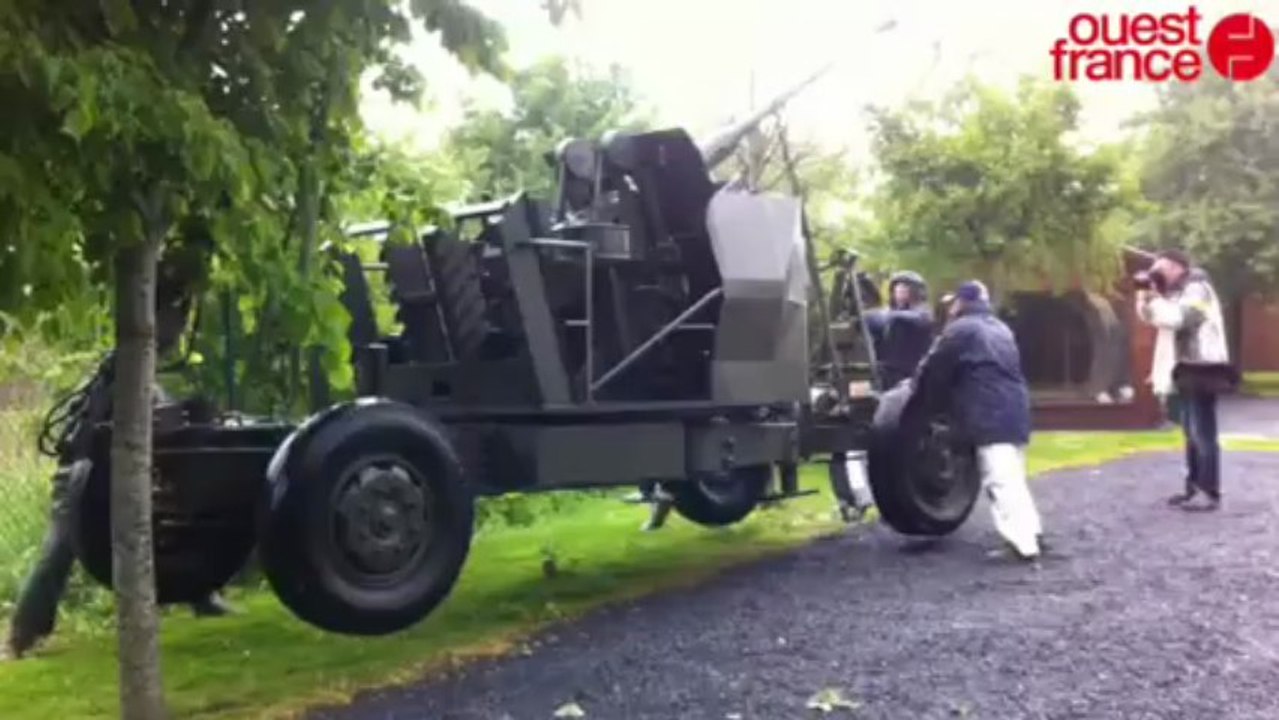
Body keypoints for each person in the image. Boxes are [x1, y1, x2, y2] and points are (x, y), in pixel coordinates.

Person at [7, 230, 233, 659]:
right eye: (174, 315)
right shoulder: (123, 368)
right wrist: (183, 414)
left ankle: (203, 596)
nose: (179, 327)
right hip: (84, 478)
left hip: (116, 475)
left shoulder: (140, 367)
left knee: (185, 524)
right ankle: (22, 636)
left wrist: (191, 414)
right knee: (59, 550)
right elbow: (125, 425)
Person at [913, 280, 1042, 561]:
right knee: (1013, 476)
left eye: (954, 302)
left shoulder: (961, 329)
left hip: (988, 410)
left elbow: (934, 366)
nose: (950, 308)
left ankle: (1022, 545)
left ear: (961, 302)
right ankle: (1031, 532)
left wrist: (916, 396)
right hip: (1015, 408)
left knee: (999, 479)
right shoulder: (1000, 328)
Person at [1134, 249, 1231, 512]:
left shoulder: (1197, 289)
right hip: (1185, 369)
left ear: (1177, 267)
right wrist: (1144, 297)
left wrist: (1155, 298)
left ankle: (1209, 492)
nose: (1157, 272)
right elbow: (1152, 318)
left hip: (1201, 367)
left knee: (1203, 433)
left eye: (1161, 267)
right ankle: (1193, 488)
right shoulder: (1176, 291)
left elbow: (1177, 319)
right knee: (1191, 432)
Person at [867, 271, 935, 389]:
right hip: (887, 372)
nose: (900, 290)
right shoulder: (887, 312)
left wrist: (887, 316)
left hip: (912, 373)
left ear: (917, 291)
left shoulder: (923, 313)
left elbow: (913, 319)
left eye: (905, 287)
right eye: (897, 287)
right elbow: (874, 321)